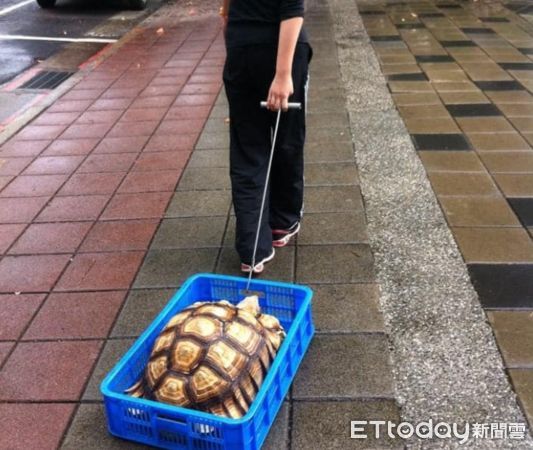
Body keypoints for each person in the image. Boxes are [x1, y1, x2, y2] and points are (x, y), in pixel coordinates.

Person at [220, 0, 312, 274]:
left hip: (241, 49)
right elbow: (292, 10)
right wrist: (283, 75)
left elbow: (225, 11)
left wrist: (236, 47)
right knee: (287, 140)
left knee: (248, 150)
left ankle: (252, 249)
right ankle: (282, 221)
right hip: (281, 50)